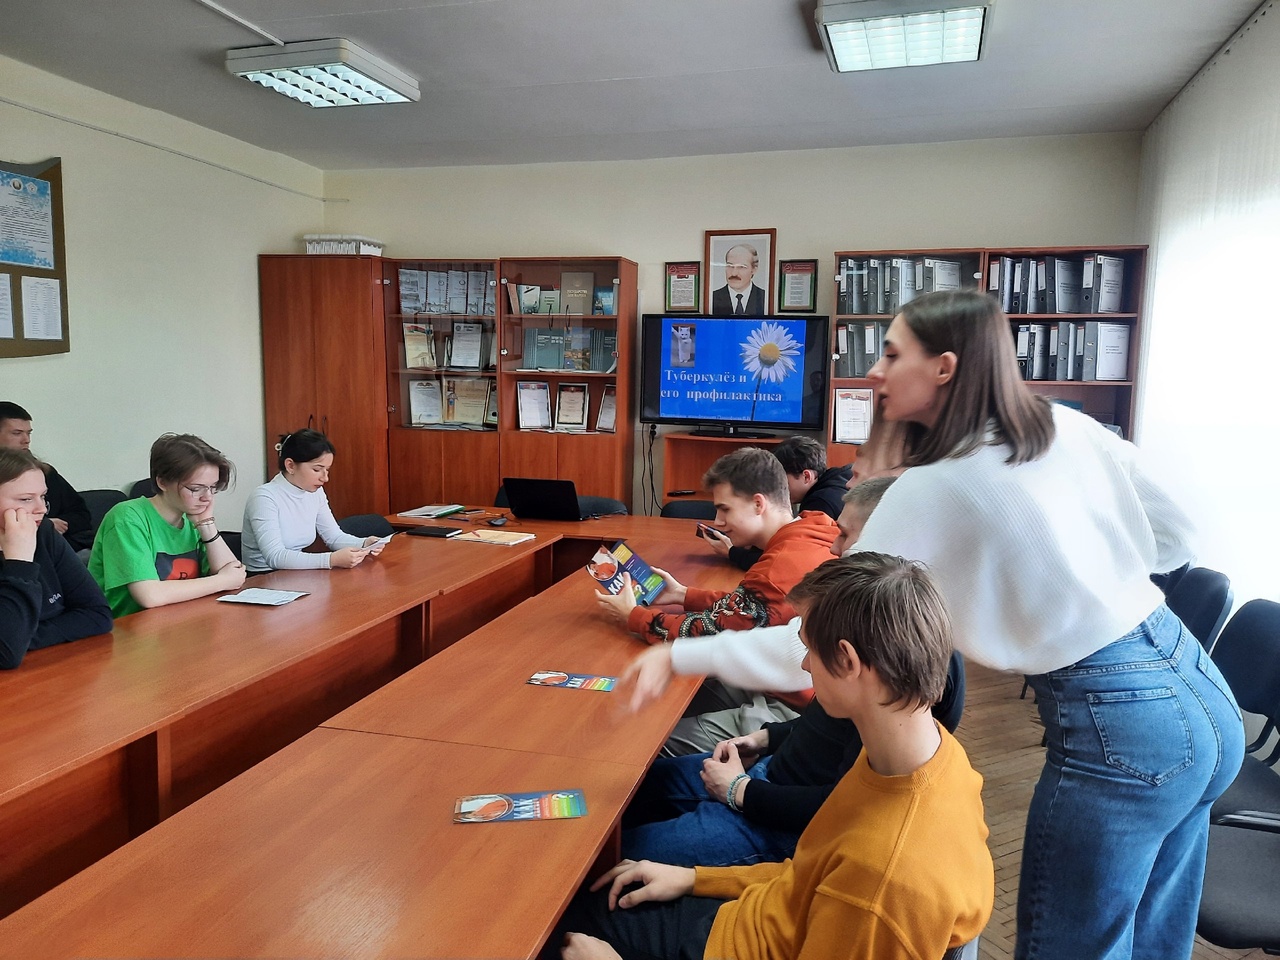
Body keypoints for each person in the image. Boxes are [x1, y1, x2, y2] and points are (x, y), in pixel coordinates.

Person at [850, 289, 1243, 960]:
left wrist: (684, 658)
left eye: (890, 353)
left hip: (1125, 726)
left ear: (944, 367)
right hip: (1199, 686)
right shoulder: (1062, 423)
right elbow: (1179, 535)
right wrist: (1096, 570)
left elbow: (831, 634)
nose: (874, 371)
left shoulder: (935, 481)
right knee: (1154, 942)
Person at [558, 553, 994, 960]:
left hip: (740, 941)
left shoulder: (882, 881)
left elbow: (844, 888)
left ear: (847, 661)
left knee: (565, 918)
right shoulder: (926, 756)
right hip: (756, 914)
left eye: (809, 650)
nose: (804, 667)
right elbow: (809, 874)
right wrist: (694, 878)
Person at [619, 479, 968, 871]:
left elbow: (838, 807)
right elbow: (823, 731)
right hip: (769, 774)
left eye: (846, 535)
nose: (833, 547)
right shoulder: (872, 671)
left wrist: (739, 791)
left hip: (773, 815)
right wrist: (766, 738)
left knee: (615, 852)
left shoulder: (886, 711)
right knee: (634, 795)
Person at [596, 448, 837, 754]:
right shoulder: (813, 528)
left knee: (648, 740)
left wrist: (633, 615)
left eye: (725, 510)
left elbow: (708, 632)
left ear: (758, 504)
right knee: (671, 695)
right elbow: (749, 607)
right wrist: (683, 594)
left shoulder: (778, 566)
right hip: (786, 680)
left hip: (790, 705)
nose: (717, 521)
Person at [89, 434, 247, 617]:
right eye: (195, 489)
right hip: (125, 627)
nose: (207, 497)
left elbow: (233, 576)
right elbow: (150, 596)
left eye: (213, 487)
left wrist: (206, 524)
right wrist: (222, 581)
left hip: (178, 620)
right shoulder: (127, 518)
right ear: (162, 482)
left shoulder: (191, 517)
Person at [0, 449, 112, 669]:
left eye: (43, 496)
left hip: (51, 669)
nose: (42, 509)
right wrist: (19, 562)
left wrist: (20, 638)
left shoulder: (43, 531)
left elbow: (97, 614)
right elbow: (7, 654)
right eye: (26, 499)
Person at [240, 429, 387, 574]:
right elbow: (275, 557)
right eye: (317, 470)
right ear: (290, 465)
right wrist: (331, 560)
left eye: (327, 470)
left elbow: (334, 537)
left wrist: (364, 543)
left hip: (295, 572)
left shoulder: (315, 492)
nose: (325, 478)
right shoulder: (264, 497)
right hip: (264, 577)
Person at [706, 436, 852, 569]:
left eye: (725, 509)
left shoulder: (822, 503)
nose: (778, 486)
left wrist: (734, 553)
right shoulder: (824, 506)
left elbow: (778, 561)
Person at [0, 401, 93, 552]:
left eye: (28, 433)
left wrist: (56, 525)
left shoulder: (43, 472)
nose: (26, 440)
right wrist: (44, 525)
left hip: (61, 548)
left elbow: (81, 515)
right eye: (16, 433)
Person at [711, 243, 766, 316]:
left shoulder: (764, 298)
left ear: (754, 269)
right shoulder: (712, 298)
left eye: (741, 267)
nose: (734, 273)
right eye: (730, 266)